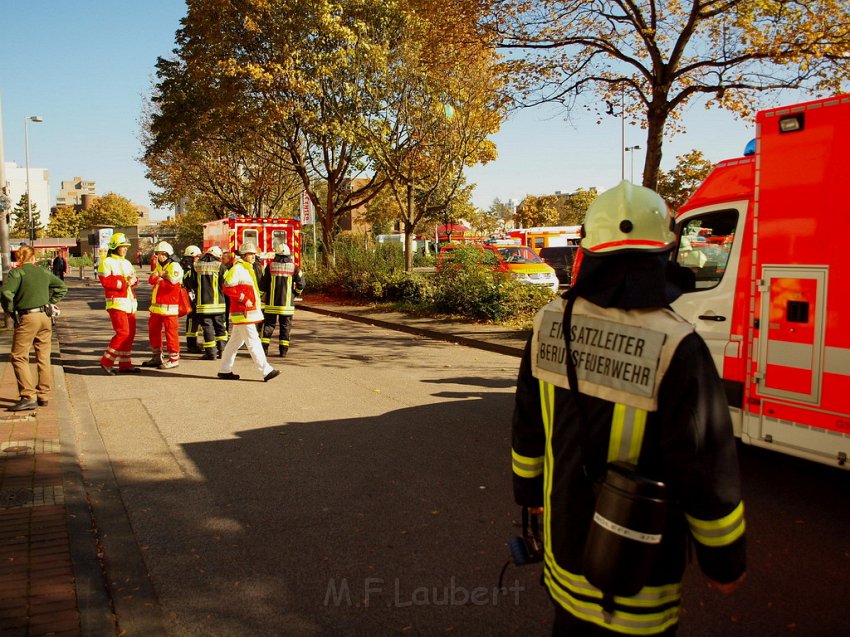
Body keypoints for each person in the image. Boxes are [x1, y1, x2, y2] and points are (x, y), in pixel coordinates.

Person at [511, 181, 746, 636]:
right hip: (640, 577)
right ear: (664, 253)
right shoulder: (677, 344)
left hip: (565, 558)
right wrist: (725, 560)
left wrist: (529, 498)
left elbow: (527, 428)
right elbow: (704, 463)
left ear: (588, 252)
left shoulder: (548, 324)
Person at [0, 245, 68, 411]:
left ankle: (28, 395)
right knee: (43, 356)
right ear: (33, 257)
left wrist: (9, 309)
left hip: (28, 318)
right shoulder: (44, 272)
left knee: (18, 356)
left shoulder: (17, 273)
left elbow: (6, 293)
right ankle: (43, 395)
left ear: (19, 257)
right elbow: (62, 287)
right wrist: (51, 302)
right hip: (45, 317)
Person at [217, 243, 279, 382]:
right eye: (250, 254)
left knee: (235, 343)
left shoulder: (246, 268)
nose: (253, 256)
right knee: (253, 341)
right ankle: (266, 370)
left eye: (253, 254)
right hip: (243, 312)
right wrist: (244, 299)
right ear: (244, 256)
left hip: (245, 312)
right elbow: (227, 288)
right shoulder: (238, 269)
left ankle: (224, 370)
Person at [97, 232, 141, 374]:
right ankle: (106, 361)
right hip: (116, 303)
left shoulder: (127, 262)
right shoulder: (106, 262)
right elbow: (106, 282)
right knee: (123, 333)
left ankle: (125, 364)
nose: (125, 249)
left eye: (126, 247)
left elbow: (132, 280)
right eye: (123, 246)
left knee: (130, 334)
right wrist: (125, 282)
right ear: (115, 246)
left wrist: (133, 281)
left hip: (129, 303)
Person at [142, 241, 184, 369]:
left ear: (169, 255)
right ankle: (157, 356)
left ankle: (174, 359)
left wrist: (159, 278)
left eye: (163, 254)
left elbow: (171, 285)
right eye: (159, 254)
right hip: (156, 308)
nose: (161, 257)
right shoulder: (160, 267)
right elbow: (151, 279)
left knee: (171, 334)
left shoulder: (174, 266)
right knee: (154, 332)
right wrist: (160, 277)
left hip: (169, 308)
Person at [260, 241, 305, 357]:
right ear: (289, 255)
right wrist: (295, 294)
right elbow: (301, 284)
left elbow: (263, 284)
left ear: (277, 254)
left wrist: (259, 296)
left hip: (271, 303)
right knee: (285, 327)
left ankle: (264, 350)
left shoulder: (270, 266)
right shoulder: (295, 268)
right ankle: (283, 351)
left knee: (269, 325)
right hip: (287, 305)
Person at [189, 245, 229, 359]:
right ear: (218, 256)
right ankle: (223, 352)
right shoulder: (220, 266)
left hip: (203, 305)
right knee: (221, 328)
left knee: (208, 329)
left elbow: (191, 282)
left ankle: (211, 354)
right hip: (219, 304)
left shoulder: (196, 266)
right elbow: (227, 282)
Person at [180, 245, 202, 352]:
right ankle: (192, 345)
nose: (199, 258)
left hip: (189, 295)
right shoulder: (189, 267)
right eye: (197, 256)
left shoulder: (184, 265)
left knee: (192, 320)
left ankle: (192, 343)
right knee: (192, 320)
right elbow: (192, 282)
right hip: (190, 295)